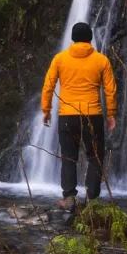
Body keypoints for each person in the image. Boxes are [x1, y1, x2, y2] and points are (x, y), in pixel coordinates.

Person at [41, 22, 117, 210]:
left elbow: (48, 85)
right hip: (92, 115)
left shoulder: (60, 59)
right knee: (94, 157)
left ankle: (69, 198)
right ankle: (92, 198)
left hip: (67, 116)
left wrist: (46, 110)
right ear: (90, 38)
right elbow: (110, 90)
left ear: (72, 38)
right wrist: (111, 114)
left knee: (68, 157)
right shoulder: (101, 60)